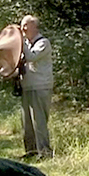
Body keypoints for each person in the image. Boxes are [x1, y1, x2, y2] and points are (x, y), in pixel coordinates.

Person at [19, 15, 54, 159]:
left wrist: (20, 42)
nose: (23, 28)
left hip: (40, 87)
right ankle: (31, 152)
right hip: (27, 87)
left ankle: (45, 153)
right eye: (22, 25)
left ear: (35, 26)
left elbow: (32, 57)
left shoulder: (43, 42)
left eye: (26, 25)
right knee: (26, 123)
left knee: (39, 122)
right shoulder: (25, 44)